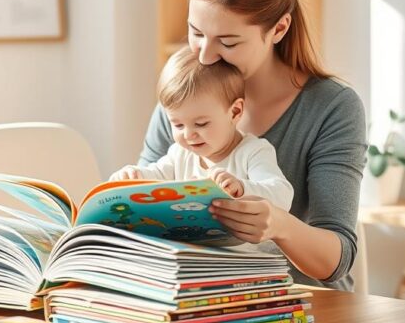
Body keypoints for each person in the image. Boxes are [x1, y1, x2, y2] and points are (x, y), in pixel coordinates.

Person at [138, 0, 367, 291]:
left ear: (279, 29)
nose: (205, 56)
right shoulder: (186, 100)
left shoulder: (331, 107)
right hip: (199, 297)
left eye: (228, 42)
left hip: (301, 304)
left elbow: (335, 260)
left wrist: (279, 225)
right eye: (196, 33)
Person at [112, 47, 294, 213]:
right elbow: (155, 176)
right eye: (178, 125)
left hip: (241, 240)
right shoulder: (179, 154)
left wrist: (242, 188)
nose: (188, 135)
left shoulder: (253, 152)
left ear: (235, 112)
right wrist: (134, 176)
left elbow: (282, 196)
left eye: (201, 124)